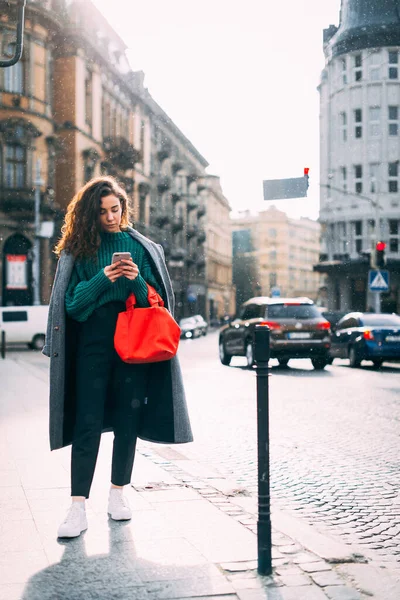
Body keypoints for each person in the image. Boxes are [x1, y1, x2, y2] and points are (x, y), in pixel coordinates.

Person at [43, 176, 193, 539]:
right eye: (103, 211)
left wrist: (137, 279)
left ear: (124, 208)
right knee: (87, 423)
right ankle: (77, 507)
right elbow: (74, 307)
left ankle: (118, 495)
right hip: (93, 343)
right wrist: (104, 278)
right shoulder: (78, 248)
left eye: (116, 209)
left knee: (129, 420)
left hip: (134, 343)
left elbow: (152, 304)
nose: (111, 217)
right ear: (90, 214)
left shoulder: (141, 246)